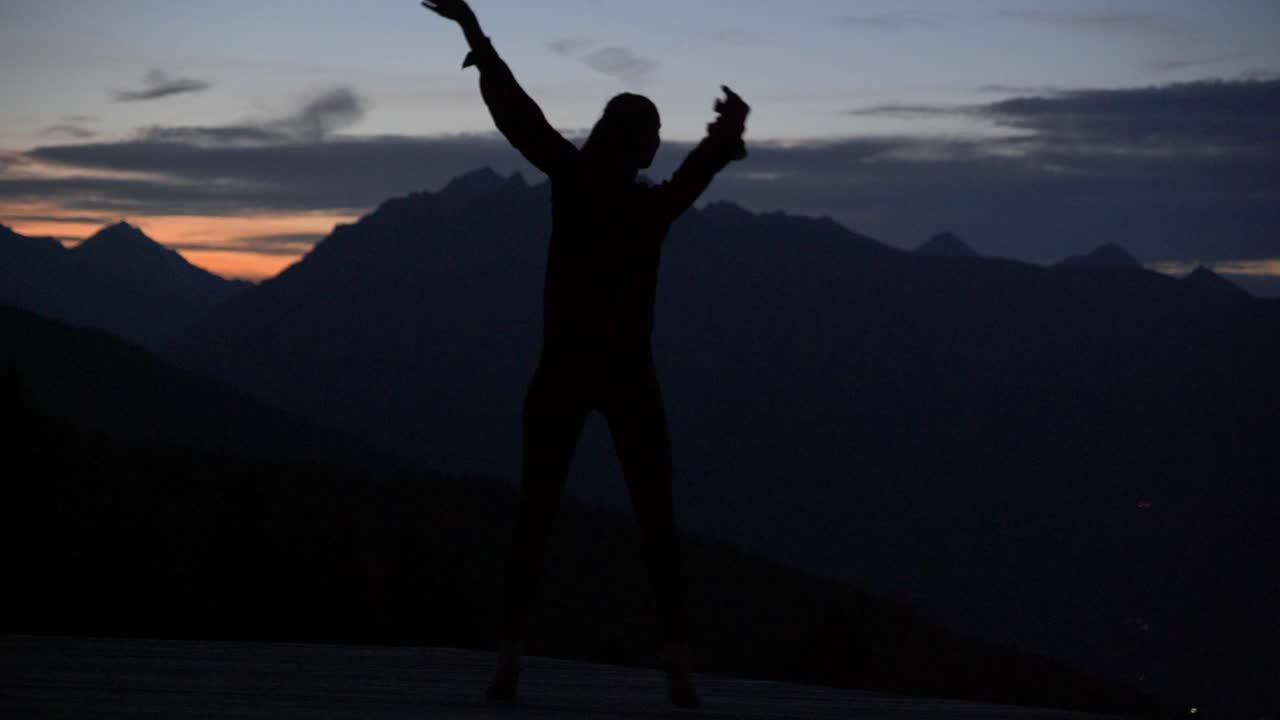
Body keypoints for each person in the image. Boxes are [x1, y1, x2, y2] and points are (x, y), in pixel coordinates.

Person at [421, 0, 749, 709]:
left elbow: (520, 119)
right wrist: (726, 133)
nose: (657, 146)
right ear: (635, 143)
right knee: (655, 515)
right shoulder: (647, 211)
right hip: (629, 378)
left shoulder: (573, 185)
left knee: (535, 513)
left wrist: (475, 35)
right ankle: (679, 666)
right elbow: (696, 173)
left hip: (562, 372)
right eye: (653, 136)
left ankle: (509, 656)